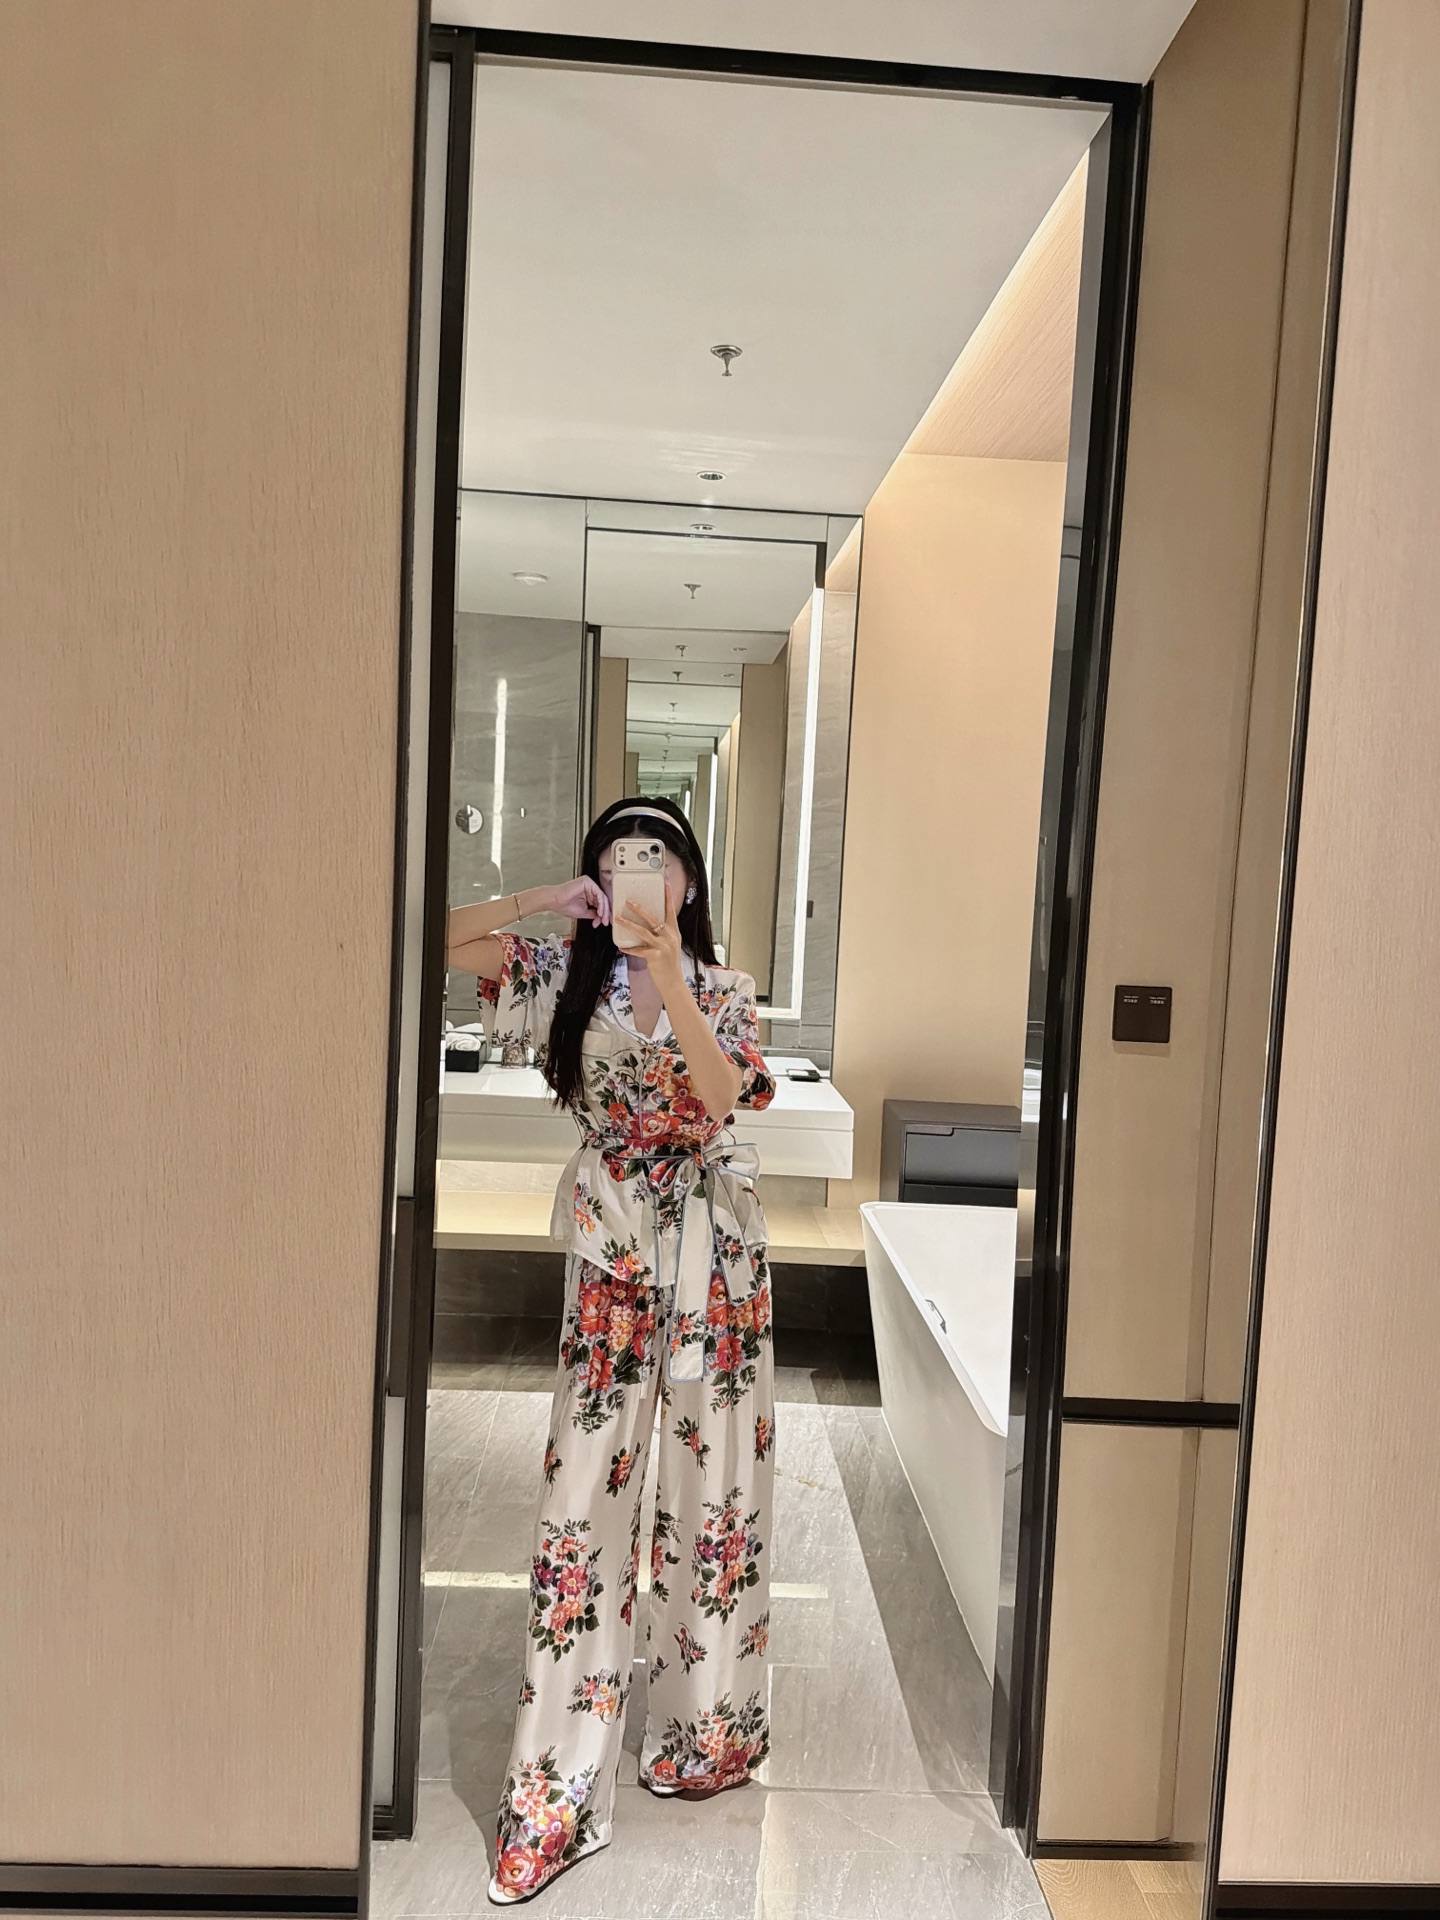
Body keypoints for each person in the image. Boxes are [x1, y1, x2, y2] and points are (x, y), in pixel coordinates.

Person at [445, 796, 778, 1907]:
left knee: (711, 1499)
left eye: (659, 857)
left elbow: (723, 1096)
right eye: (620, 858)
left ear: (689, 881)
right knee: (582, 1505)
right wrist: (548, 899)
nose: (642, 871)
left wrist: (670, 972)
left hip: (715, 1264)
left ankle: (704, 1734)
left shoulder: (722, 989)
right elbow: (429, 936)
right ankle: (555, 1788)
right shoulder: (558, 977)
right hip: (611, 1265)